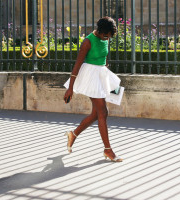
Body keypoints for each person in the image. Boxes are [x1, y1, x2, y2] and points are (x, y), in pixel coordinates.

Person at [63, 16, 122, 162]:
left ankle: (73, 134)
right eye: (105, 35)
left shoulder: (106, 37)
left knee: (96, 114)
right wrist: (70, 88)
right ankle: (108, 150)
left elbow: (105, 58)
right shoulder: (88, 42)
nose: (107, 38)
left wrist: (107, 73)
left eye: (109, 36)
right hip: (90, 76)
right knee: (103, 111)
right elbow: (77, 65)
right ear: (100, 31)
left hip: (101, 75)